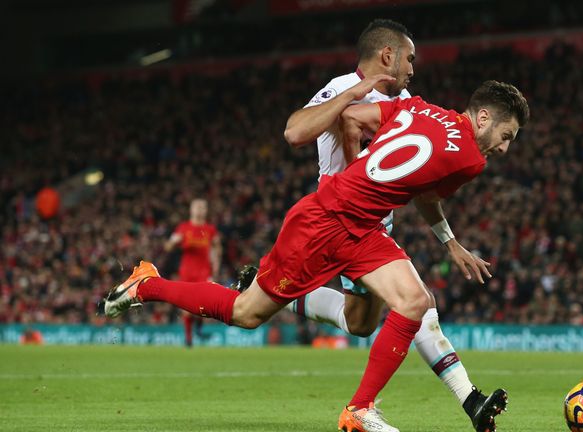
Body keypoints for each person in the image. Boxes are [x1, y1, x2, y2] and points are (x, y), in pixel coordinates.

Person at [102, 80, 529, 432]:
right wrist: (440, 235)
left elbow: (353, 118)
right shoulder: (471, 159)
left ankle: (360, 410)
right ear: (483, 117)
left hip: (362, 226)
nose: (504, 149)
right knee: (246, 314)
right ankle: (147, 284)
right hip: (325, 225)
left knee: (414, 302)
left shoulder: (417, 107)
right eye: (506, 136)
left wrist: (357, 174)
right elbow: (427, 193)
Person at [283, 19, 507, 432]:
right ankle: (467, 400)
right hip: (344, 219)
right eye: (410, 58)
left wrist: (450, 242)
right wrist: (355, 182)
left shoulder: (406, 99)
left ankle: (281, 293)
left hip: (373, 224)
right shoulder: (340, 87)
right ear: (388, 55)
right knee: (417, 304)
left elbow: (423, 186)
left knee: (361, 321)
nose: (413, 68)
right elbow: (297, 130)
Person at [164, 198, 221, 347]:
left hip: (204, 272)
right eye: (197, 207)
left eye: (203, 207)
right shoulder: (183, 228)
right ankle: (188, 340)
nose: (200, 210)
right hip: (187, 273)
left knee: (204, 304)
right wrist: (174, 241)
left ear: (206, 211)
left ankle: (199, 327)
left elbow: (216, 248)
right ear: (191, 210)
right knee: (187, 309)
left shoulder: (210, 229)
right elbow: (168, 247)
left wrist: (216, 265)